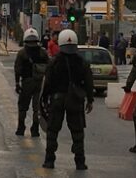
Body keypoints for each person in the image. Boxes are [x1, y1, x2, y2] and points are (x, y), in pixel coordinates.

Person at [41, 29, 94, 170]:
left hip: (57, 99)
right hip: (75, 100)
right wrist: (90, 99)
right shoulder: (82, 62)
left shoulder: (54, 62)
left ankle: (49, 160)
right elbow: (89, 82)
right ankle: (80, 162)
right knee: (77, 132)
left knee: (52, 130)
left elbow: (47, 83)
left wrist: (45, 98)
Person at [14, 28, 49, 137]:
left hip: (27, 82)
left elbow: (17, 69)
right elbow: (49, 68)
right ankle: (35, 129)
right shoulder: (43, 52)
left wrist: (17, 83)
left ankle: (21, 128)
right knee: (37, 107)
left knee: (23, 106)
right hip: (40, 82)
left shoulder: (22, 53)